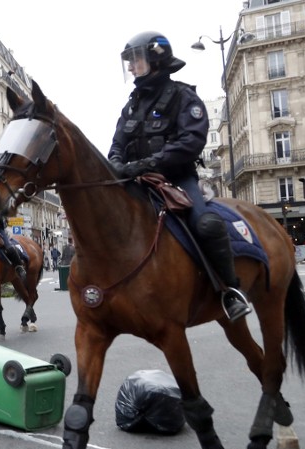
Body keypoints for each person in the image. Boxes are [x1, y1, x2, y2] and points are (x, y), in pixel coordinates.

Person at [108, 31, 251, 322]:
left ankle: (230, 291)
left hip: (177, 179)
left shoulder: (184, 97)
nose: (132, 67)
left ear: (155, 60)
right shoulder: (132, 104)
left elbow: (190, 142)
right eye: (130, 62)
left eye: (136, 60)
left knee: (207, 223)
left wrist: (146, 163)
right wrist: (115, 163)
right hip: (136, 181)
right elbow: (118, 142)